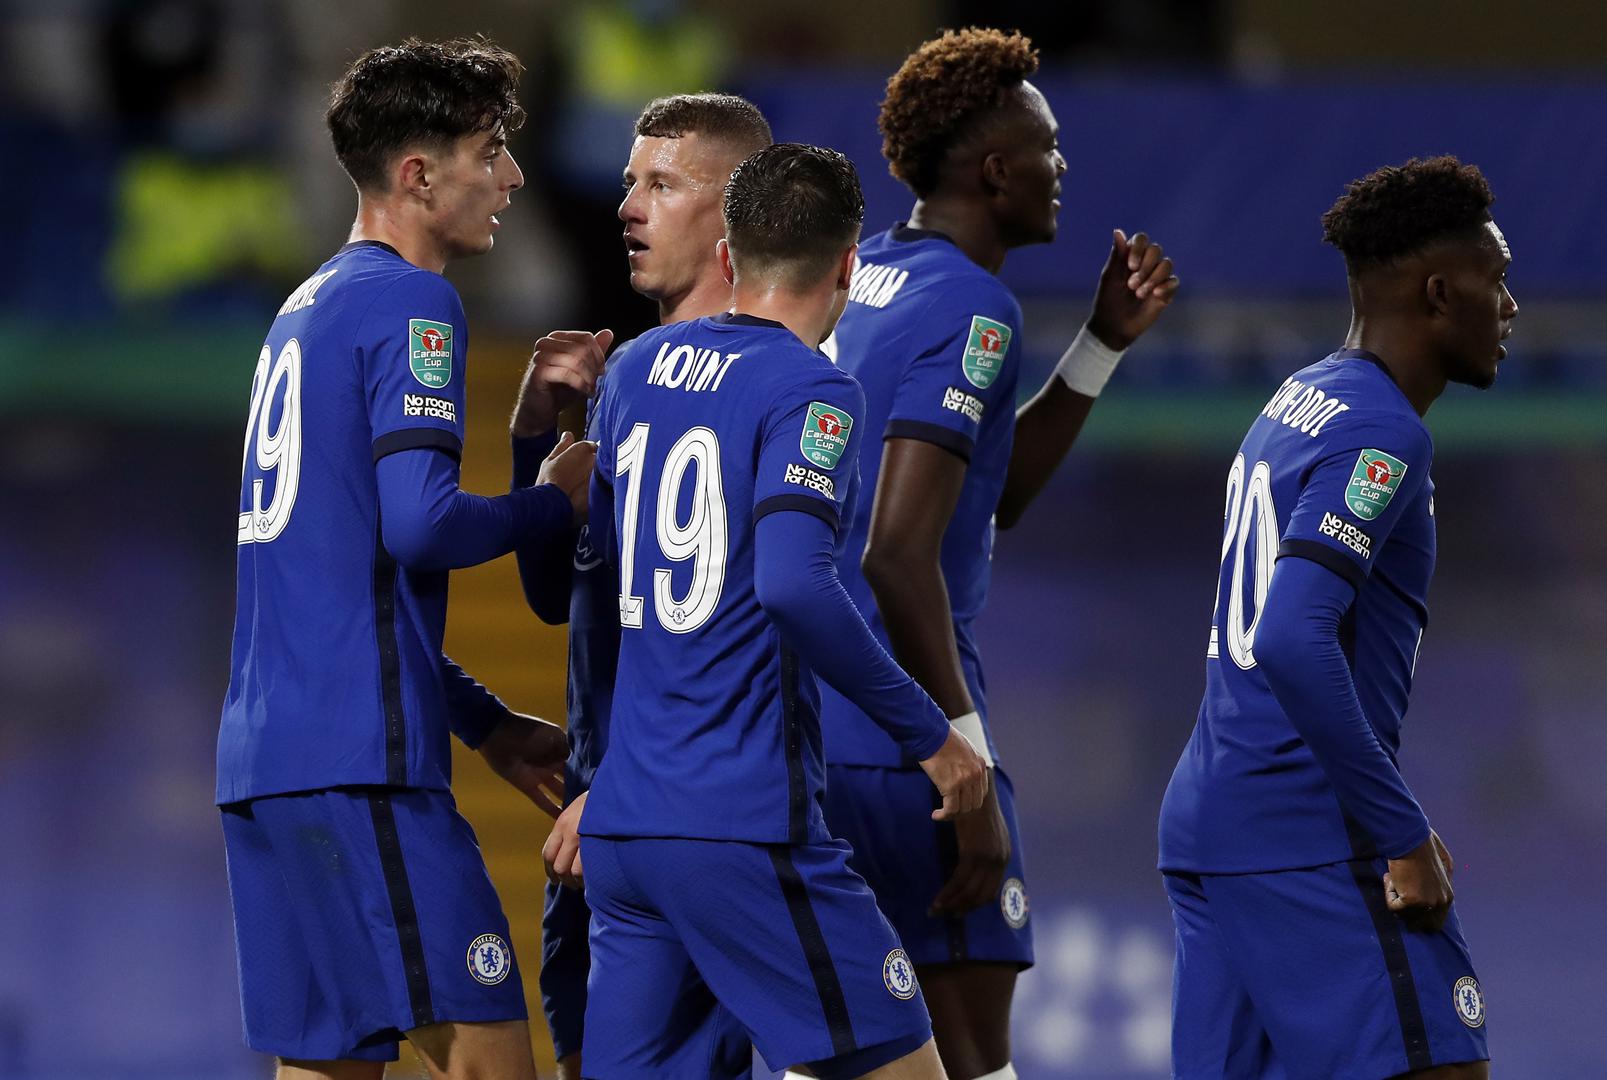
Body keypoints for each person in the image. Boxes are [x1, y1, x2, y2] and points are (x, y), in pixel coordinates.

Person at [215, 38, 599, 1080]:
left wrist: (479, 723)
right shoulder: (409, 303)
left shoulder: (300, 313)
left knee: (327, 1071)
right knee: (488, 1062)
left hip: (268, 772)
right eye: (491, 149)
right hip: (362, 775)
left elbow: (336, 584)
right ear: (418, 174)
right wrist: (546, 501)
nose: (511, 176)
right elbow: (421, 527)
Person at [573, 142, 989, 1079]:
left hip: (629, 830)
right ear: (848, 264)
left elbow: (591, 578)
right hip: (743, 826)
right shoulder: (814, 391)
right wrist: (931, 735)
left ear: (728, 252)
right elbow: (797, 585)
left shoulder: (634, 370)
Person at [815, 28, 1178, 1080]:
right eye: (1047, 150)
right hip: (905, 749)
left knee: (852, 1055)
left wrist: (1100, 343)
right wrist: (961, 758)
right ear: (993, 170)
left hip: (812, 730)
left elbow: (994, 491)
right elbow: (895, 553)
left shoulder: (864, 276)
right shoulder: (973, 307)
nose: (1061, 170)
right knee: (973, 1060)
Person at [1158, 155, 1513, 1079]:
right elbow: (1286, 633)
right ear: (1438, 293)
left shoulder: (1298, 398)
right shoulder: (1382, 430)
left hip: (1213, 821)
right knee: (1442, 1064)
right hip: (1306, 831)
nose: (1510, 305)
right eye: (1497, 279)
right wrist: (1397, 831)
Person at [507, 91, 774, 1080]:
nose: (626, 205)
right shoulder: (631, 382)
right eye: (628, 182)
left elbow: (751, 631)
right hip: (606, 813)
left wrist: (625, 786)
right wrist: (535, 438)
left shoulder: (779, 384)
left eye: (659, 184)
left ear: (733, 215)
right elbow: (555, 596)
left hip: (693, 820)